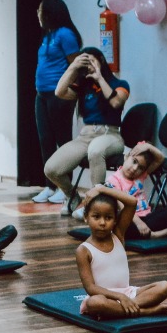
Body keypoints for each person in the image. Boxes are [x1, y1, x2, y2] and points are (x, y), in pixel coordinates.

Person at [45, 47, 129, 212]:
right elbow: (59, 91)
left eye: (91, 60)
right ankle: (72, 197)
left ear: (101, 60)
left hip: (110, 135)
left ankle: (95, 203)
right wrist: (73, 67)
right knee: (51, 168)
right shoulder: (84, 87)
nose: (88, 65)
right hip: (85, 137)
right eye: (85, 62)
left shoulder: (120, 84)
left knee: (96, 151)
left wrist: (99, 78)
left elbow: (116, 103)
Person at [75, 184, 167, 319]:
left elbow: (131, 202)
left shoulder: (118, 235)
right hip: (104, 297)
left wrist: (101, 189)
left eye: (108, 217)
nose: (102, 223)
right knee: (94, 303)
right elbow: (90, 288)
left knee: (165, 286)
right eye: (96, 217)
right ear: (86, 217)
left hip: (129, 293)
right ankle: (145, 311)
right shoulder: (83, 250)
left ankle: (120, 310)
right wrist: (119, 297)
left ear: (115, 220)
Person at [32, 0, 83, 204]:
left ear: (50, 13)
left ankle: (65, 187)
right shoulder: (48, 35)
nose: (38, 14)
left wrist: (72, 93)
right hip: (42, 94)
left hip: (59, 94)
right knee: (45, 140)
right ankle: (50, 185)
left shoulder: (65, 34)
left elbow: (76, 66)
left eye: (40, 10)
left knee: (63, 141)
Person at [105, 142, 167, 237]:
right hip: (129, 219)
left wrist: (148, 147)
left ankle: (144, 232)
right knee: (118, 226)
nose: (135, 168)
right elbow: (122, 206)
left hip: (146, 217)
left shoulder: (140, 176)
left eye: (140, 168)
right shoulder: (113, 180)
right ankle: (152, 235)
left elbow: (160, 159)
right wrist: (139, 223)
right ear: (126, 157)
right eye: (134, 161)